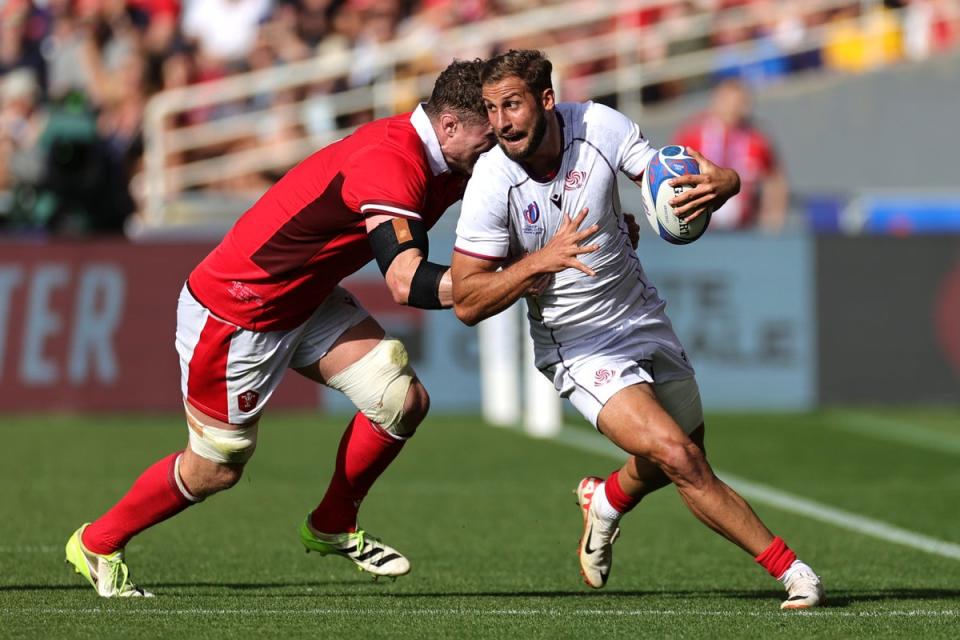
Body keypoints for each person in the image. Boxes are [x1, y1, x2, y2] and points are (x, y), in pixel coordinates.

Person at [65, 58, 496, 598]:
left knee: (400, 399)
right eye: (489, 136)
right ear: (451, 127)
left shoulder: (450, 161)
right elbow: (406, 283)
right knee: (217, 468)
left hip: (304, 299)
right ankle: (97, 542)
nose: (495, 148)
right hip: (238, 310)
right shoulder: (392, 161)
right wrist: (514, 279)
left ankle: (332, 525)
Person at [450, 49, 824, 610]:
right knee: (681, 457)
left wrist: (725, 181)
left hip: (641, 314)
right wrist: (536, 262)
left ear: (546, 101)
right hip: (576, 345)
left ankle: (605, 500)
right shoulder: (491, 182)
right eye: (491, 108)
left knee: (676, 453)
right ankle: (793, 571)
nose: (501, 122)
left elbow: (666, 176)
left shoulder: (598, 126)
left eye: (512, 105)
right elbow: (467, 300)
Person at [673, 78, 789, 233]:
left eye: (741, 103)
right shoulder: (693, 135)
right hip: (699, 229)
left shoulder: (757, 140)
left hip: (745, 230)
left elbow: (774, 180)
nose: (734, 108)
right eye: (728, 102)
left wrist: (772, 222)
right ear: (716, 101)